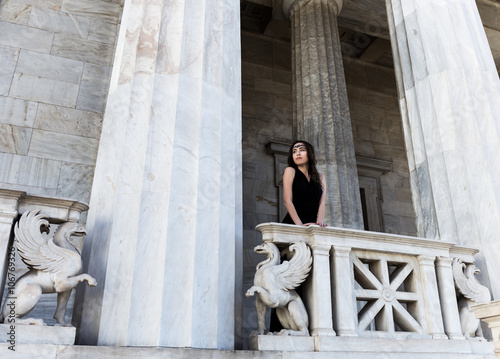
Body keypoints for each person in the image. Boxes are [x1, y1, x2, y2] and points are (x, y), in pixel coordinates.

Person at [281, 140, 327, 227]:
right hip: (294, 224)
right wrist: (300, 225)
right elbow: (287, 201)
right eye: (294, 151)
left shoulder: (321, 177)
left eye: (302, 150)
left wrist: (319, 223)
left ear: (310, 153)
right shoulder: (290, 171)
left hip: (312, 225)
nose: (297, 153)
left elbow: (322, 203)